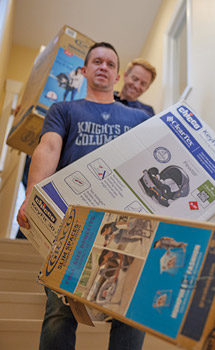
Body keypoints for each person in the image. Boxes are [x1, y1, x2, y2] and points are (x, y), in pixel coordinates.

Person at [17, 42, 150, 350]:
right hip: (73, 223)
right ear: (84, 70)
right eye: (97, 62)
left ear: (117, 76)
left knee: (129, 313)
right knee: (60, 312)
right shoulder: (63, 110)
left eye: (110, 64)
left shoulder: (138, 119)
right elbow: (48, 149)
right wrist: (33, 199)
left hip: (127, 226)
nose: (103, 67)